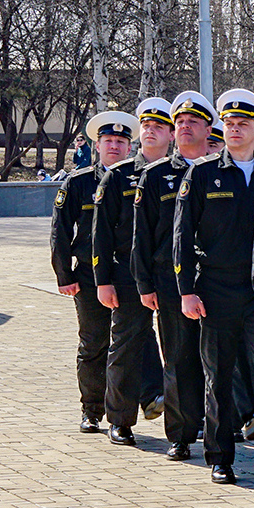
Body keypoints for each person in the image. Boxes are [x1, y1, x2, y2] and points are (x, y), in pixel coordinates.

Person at [174, 89, 254, 485]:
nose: (234, 130)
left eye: (243, 125)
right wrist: (186, 289)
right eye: (229, 124)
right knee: (219, 374)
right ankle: (219, 456)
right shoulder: (201, 174)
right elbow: (181, 236)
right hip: (216, 290)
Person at [132, 91, 215, 461]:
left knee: (217, 358)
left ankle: (215, 428)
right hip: (170, 281)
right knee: (179, 357)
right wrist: (145, 284)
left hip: (217, 280)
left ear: (208, 129)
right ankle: (180, 434)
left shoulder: (221, 172)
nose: (184, 127)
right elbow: (142, 236)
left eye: (192, 122)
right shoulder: (155, 176)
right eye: (179, 122)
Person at [91, 103, 170, 446]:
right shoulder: (119, 176)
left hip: (171, 273)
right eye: (146, 125)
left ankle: (183, 423)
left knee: (181, 348)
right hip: (126, 273)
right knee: (125, 346)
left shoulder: (182, 173)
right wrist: (102, 281)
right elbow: (101, 234)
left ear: (169, 134)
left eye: (158, 125)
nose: (150, 130)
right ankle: (120, 420)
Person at [51, 113, 124, 432]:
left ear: (129, 146)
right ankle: (91, 409)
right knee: (93, 344)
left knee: (128, 346)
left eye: (121, 142)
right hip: (88, 279)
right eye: (108, 140)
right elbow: (60, 231)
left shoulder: (138, 180)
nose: (114, 146)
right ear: (97, 145)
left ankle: (123, 413)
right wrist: (64, 275)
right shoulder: (78, 182)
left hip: (128, 276)